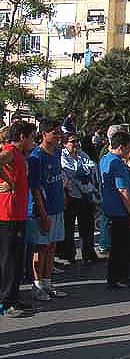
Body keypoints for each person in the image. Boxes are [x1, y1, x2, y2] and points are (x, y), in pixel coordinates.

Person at [28, 119, 68, 301]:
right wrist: (42, 213)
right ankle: (37, 286)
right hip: (43, 210)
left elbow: (58, 179)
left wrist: (64, 196)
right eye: (55, 132)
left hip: (58, 207)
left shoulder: (57, 153)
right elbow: (35, 188)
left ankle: (47, 282)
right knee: (41, 247)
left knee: (52, 246)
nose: (59, 135)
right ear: (44, 134)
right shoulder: (36, 157)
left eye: (60, 132)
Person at [0, 121, 36, 317]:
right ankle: (5, 302)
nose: (33, 141)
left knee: (16, 258)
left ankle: (14, 297)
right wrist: (8, 181)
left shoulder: (20, 155)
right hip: (8, 215)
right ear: (22, 137)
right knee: (8, 259)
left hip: (19, 214)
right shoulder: (10, 151)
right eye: (32, 137)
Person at [100, 131, 130, 289]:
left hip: (112, 209)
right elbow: (122, 189)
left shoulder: (105, 159)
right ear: (121, 147)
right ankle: (118, 277)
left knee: (119, 245)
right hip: (120, 211)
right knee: (120, 246)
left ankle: (121, 274)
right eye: (129, 148)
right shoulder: (117, 163)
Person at [59, 133, 101, 264]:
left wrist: (82, 170)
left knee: (87, 227)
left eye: (77, 141)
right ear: (65, 144)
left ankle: (88, 254)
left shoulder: (82, 154)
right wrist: (82, 170)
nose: (76, 144)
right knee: (69, 227)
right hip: (71, 195)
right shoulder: (62, 156)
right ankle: (68, 254)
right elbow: (70, 171)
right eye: (72, 142)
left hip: (85, 195)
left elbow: (92, 167)